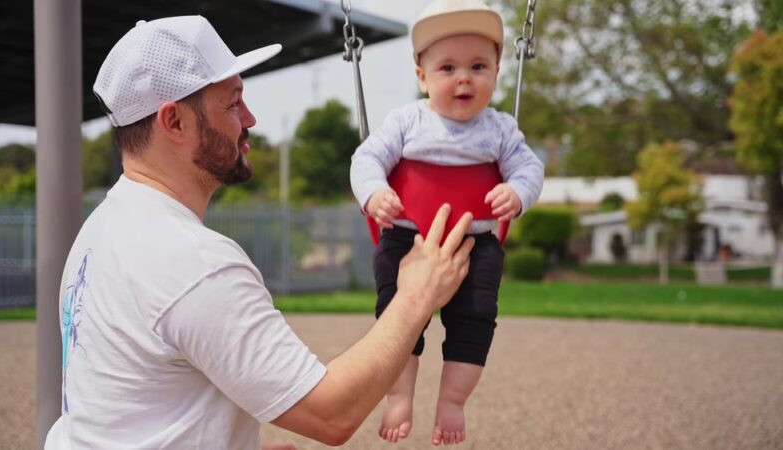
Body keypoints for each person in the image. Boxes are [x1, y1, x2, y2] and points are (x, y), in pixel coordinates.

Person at [44, 15, 476, 450]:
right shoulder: (192, 262)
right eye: (232, 104)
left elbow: (118, 411)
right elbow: (331, 413)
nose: (250, 118)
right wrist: (417, 296)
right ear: (174, 122)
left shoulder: (101, 229)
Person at [350, 0, 545, 445]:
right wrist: (374, 193)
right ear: (422, 77)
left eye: (479, 66)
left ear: (496, 74)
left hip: (474, 246)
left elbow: (530, 169)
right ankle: (399, 395)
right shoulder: (406, 121)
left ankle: (452, 402)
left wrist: (517, 193)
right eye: (448, 68)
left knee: (476, 320)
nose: (464, 78)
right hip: (407, 240)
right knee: (398, 319)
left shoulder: (501, 129)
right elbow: (367, 159)